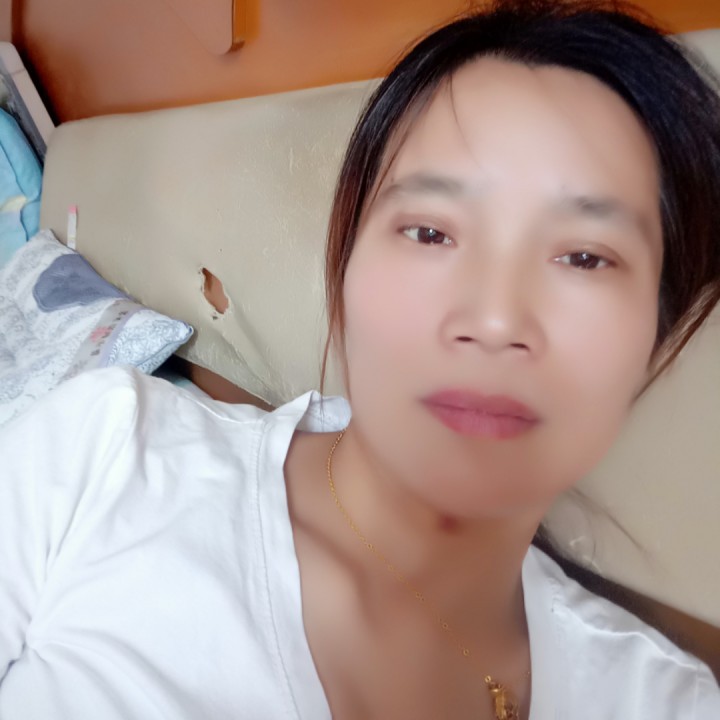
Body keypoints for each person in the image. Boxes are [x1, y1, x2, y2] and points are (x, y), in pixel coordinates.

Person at [1, 0, 719, 717]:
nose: (494, 319)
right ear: (345, 264)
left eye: (585, 257)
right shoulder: (104, 454)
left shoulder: (663, 700)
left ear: (656, 338)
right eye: (430, 232)